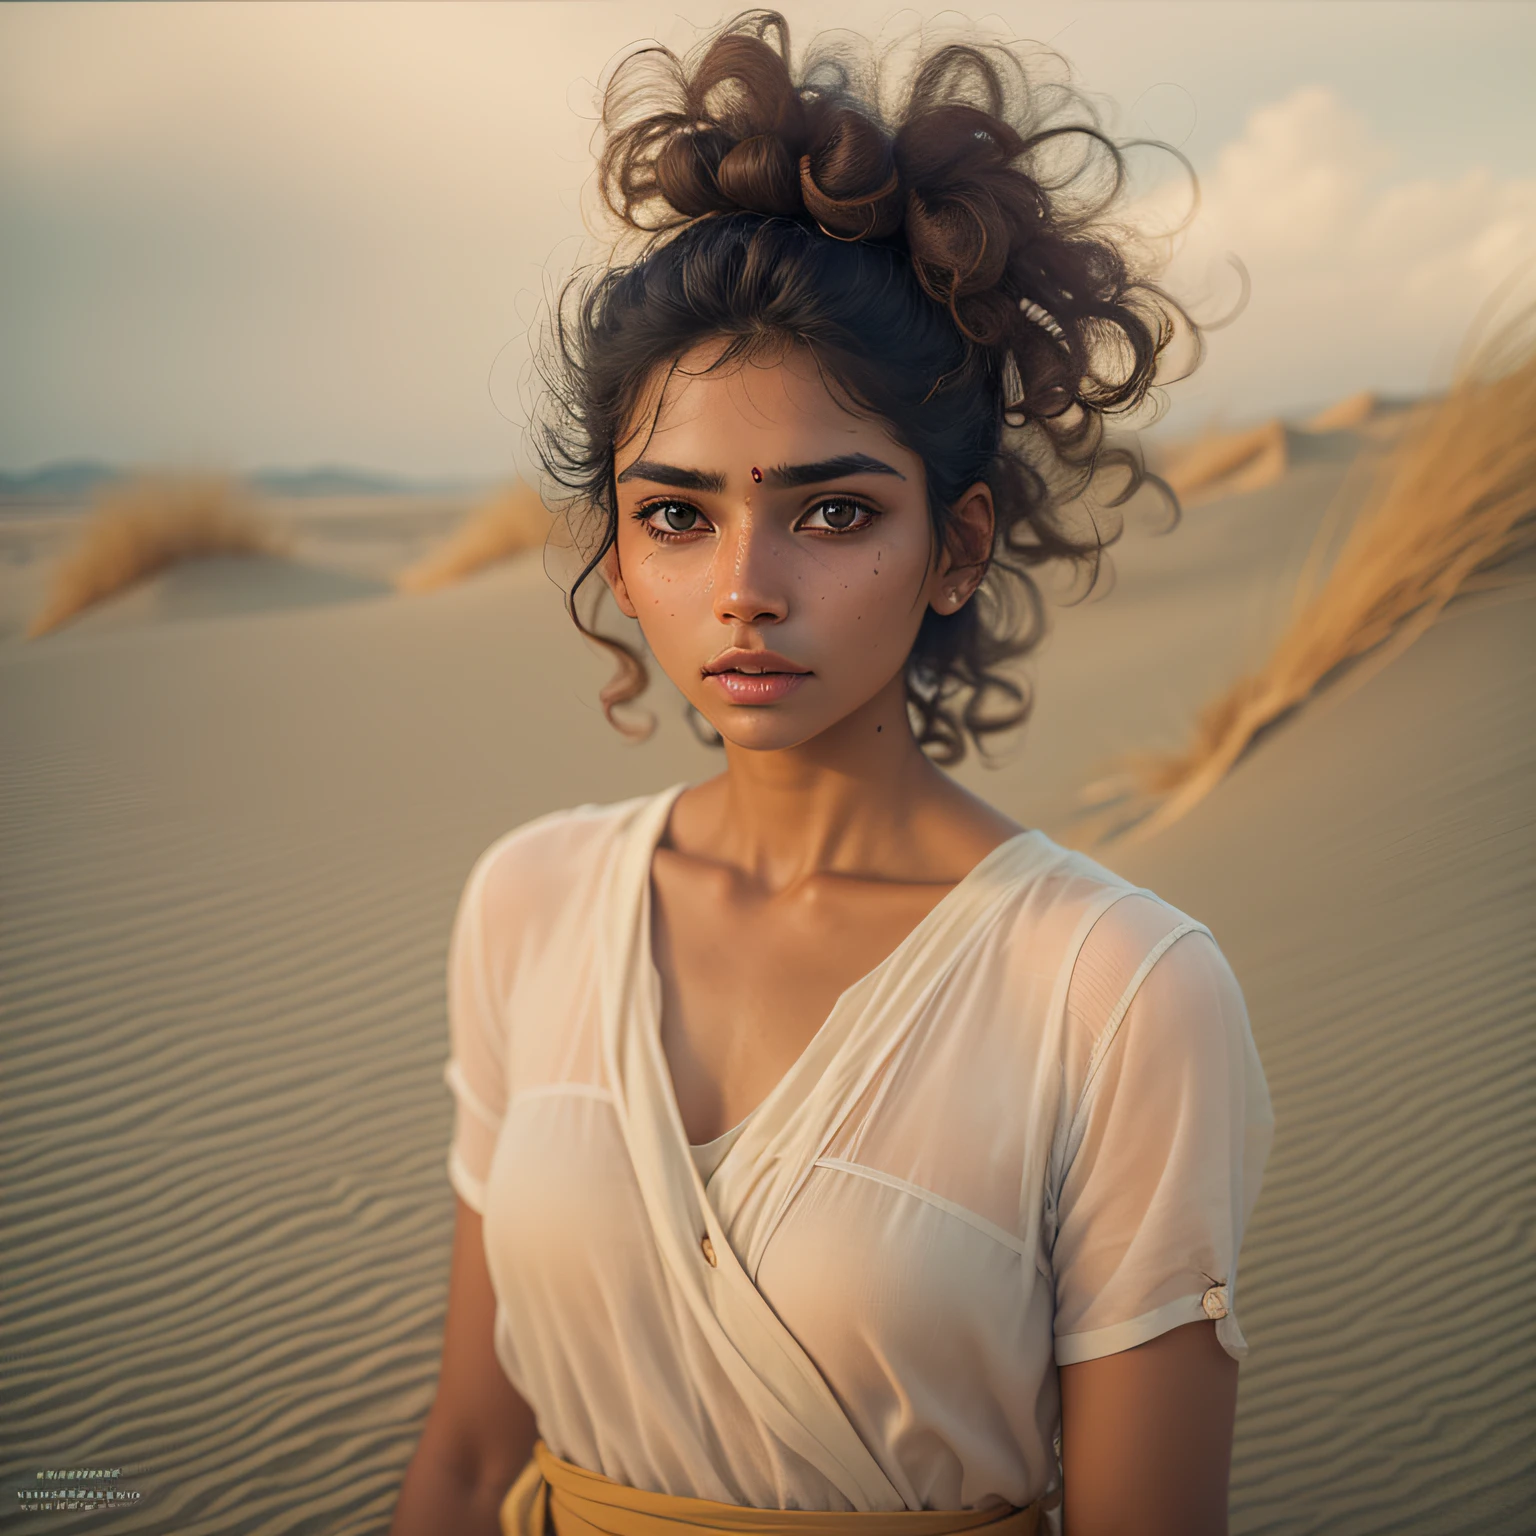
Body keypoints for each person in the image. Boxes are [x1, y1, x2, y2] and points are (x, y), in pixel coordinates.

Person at [390, 12, 1273, 1536]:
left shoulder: (1120, 990)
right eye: (677, 517)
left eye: (835, 513)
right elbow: (470, 1460)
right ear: (617, 546)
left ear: (960, 547)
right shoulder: (528, 901)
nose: (746, 587)